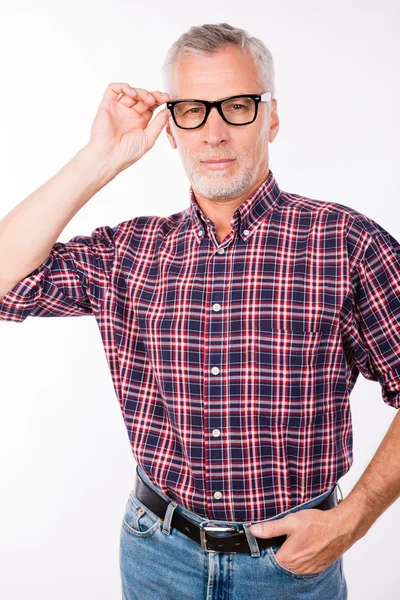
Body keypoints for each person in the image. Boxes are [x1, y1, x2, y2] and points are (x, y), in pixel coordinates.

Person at [1, 21, 400, 600]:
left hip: (292, 566)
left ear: (272, 117)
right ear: (172, 129)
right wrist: (99, 156)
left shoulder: (346, 243)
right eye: (192, 110)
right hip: (155, 557)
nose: (214, 133)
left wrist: (352, 520)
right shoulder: (131, 252)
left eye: (237, 106)